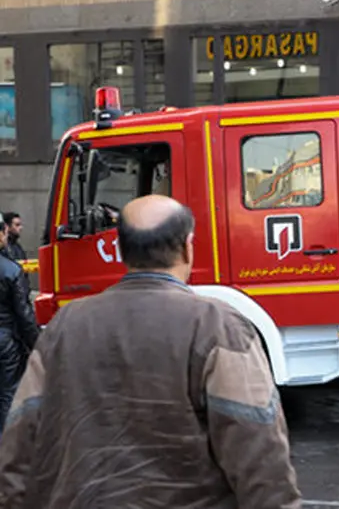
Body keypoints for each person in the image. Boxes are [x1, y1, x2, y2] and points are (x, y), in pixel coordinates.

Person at [0, 195, 301, 507]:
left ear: (121, 251)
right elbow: (258, 449)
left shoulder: (66, 325)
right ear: (187, 247)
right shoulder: (219, 326)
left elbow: (21, 439)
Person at [0, 218, 38, 429]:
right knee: (8, 396)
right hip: (6, 343)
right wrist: (36, 345)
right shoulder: (11, 270)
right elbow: (24, 315)